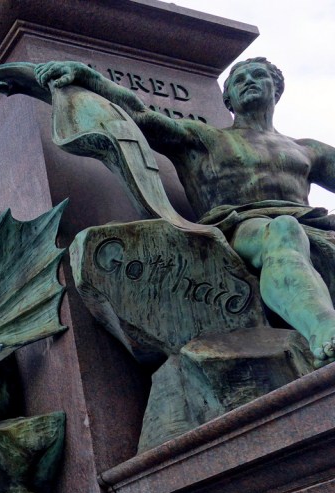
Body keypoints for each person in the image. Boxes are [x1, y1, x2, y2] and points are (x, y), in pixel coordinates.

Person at [32, 58, 335, 363]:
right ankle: (323, 328)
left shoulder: (308, 149)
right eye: (239, 79)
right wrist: (88, 77)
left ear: (276, 90)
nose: (249, 81)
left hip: (313, 226)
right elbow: (140, 115)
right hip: (243, 227)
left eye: (258, 75)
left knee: (292, 229)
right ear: (227, 99)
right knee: (283, 229)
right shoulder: (204, 138)